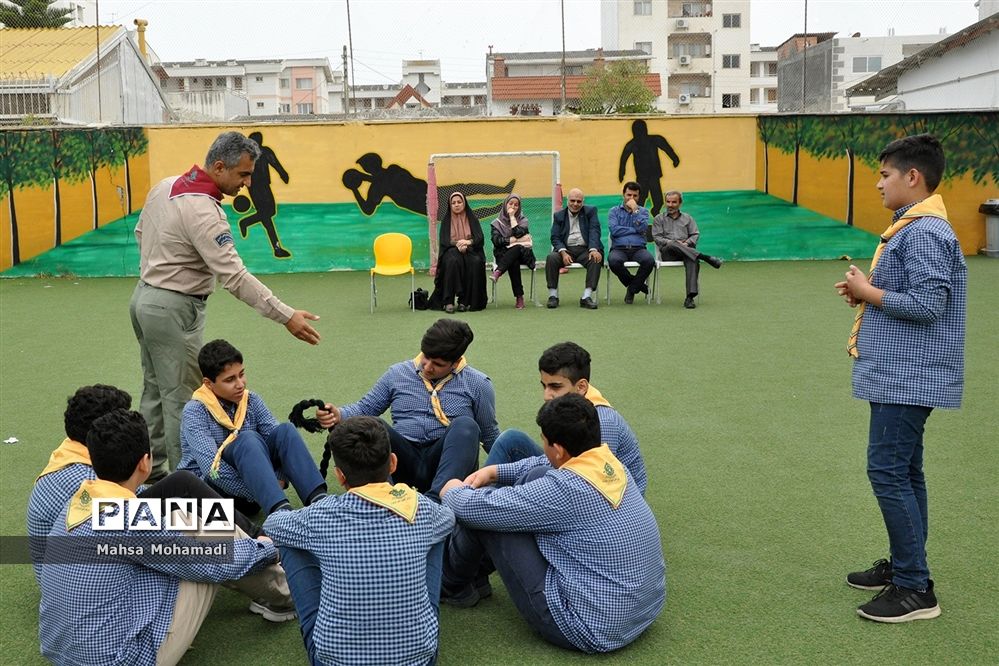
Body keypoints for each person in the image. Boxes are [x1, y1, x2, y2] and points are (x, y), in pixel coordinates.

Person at [129, 130, 321, 482]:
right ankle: (186, 484)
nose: (247, 183)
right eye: (243, 174)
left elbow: (141, 233)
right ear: (219, 167)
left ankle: (151, 474)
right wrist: (286, 316)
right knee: (184, 401)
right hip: (173, 308)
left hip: (144, 298)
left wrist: (161, 267)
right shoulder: (205, 211)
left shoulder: (165, 186)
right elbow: (234, 276)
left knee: (154, 391)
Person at [38, 409, 289, 666]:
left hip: (61, 654)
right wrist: (264, 548)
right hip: (123, 660)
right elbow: (210, 562)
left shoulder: (78, 502)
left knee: (186, 526)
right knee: (205, 534)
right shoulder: (131, 520)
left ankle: (278, 586)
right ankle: (287, 594)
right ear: (145, 462)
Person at [834, 134, 965, 623]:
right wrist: (866, 293)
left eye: (885, 175)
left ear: (913, 177)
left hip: (908, 375)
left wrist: (870, 292)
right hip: (902, 372)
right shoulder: (913, 227)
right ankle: (906, 564)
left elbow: (929, 305)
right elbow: (912, 296)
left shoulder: (924, 232)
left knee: (888, 471)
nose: (878, 184)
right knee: (906, 472)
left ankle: (914, 587)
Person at [439, 394, 666, 653]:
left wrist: (452, 489)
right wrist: (495, 472)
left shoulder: (566, 489)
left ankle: (451, 586)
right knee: (536, 475)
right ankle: (475, 577)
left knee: (488, 515)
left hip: (586, 628)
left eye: (544, 441)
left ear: (558, 449)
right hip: (642, 611)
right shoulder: (612, 465)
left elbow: (477, 508)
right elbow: (542, 464)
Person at [27, 385, 263, 588]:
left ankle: (253, 537)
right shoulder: (84, 477)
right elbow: (118, 525)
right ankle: (258, 546)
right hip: (85, 572)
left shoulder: (70, 452)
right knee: (191, 520)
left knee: (182, 489)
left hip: (79, 559)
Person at [263, 416, 455, 666]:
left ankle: (292, 600)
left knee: (289, 538)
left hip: (333, 661)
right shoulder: (422, 509)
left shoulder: (320, 515)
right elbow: (448, 518)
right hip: (419, 660)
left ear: (340, 476)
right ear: (393, 463)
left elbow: (273, 525)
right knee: (436, 532)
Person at [323, 319, 499, 503]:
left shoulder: (478, 384)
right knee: (374, 424)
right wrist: (338, 414)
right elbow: (365, 408)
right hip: (401, 460)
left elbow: (489, 434)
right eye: (426, 357)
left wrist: (508, 470)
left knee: (466, 426)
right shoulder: (397, 373)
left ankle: (436, 502)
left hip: (445, 464)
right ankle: (385, 500)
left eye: (437, 364)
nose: (427, 366)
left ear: (455, 363)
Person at [178, 339, 328, 516]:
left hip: (254, 492)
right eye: (230, 379)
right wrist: (263, 489)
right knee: (248, 439)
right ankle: (282, 514)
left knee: (285, 432)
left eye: (241, 374)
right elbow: (212, 470)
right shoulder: (195, 411)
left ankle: (321, 503)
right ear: (208, 383)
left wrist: (275, 481)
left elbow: (279, 447)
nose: (240, 384)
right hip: (210, 497)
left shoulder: (251, 400)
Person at [484, 341, 648, 494]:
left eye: (555, 386)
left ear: (581, 387)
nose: (546, 396)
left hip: (606, 497)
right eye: (544, 386)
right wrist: (496, 472)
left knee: (538, 474)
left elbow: (591, 483)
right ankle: (477, 495)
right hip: (579, 472)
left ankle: (481, 503)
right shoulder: (576, 407)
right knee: (512, 440)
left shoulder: (601, 422)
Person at [651, 190, 723, 309]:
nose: (670, 205)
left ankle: (690, 298)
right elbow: (657, 238)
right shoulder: (659, 219)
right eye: (668, 202)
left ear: (680, 203)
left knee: (692, 259)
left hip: (686, 251)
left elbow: (695, 234)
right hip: (668, 252)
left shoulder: (688, 218)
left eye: (674, 202)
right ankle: (705, 257)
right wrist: (672, 242)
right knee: (673, 243)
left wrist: (685, 243)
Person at [429, 191, 488, 313]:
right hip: (451, 249)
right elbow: (444, 241)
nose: (456, 205)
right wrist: (458, 244)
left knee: (475, 262)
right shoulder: (446, 220)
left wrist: (468, 242)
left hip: (470, 249)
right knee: (452, 261)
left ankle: (464, 302)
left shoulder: (472, 219)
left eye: (459, 202)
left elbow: (480, 238)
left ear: (464, 203)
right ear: (450, 205)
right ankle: (448, 301)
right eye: (453, 203)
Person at [545, 188, 603, 310]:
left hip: (585, 249)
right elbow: (555, 237)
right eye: (572, 200)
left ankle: (586, 297)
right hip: (566, 250)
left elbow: (594, 230)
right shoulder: (559, 216)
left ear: (583, 202)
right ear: (567, 201)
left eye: (579, 201)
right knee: (551, 258)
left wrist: (593, 249)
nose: (575, 204)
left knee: (595, 258)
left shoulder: (591, 211)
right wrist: (563, 252)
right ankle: (553, 296)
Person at [239, 131, 291, 258]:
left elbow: (275, 163)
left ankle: (246, 222)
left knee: (268, 214)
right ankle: (277, 249)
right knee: (267, 216)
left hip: (263, 186)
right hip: (256, 187)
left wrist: (283, 174)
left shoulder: (263, 152)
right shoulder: (249, 155)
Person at [618, 119, 681, 216]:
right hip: (642, 177)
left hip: (654, 175)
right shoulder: (633, 144)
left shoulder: (654, 139)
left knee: (658, 201)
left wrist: (675, 158)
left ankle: (655, 211)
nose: (640, 133)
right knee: (641, 199)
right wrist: (621, 172)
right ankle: (638, 217)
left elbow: (667, 148)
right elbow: (624, 159)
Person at [608, 181, 655, 304]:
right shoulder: (614, 211)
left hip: (638, 248)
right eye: (629, 195)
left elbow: (643, 229)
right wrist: (634, 230)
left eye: (635, 195)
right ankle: (638, 285)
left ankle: (632, 289)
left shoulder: (643, 211)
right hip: (619, 248)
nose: (631, 198)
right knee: (613, 261)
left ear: (639, 197)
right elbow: (614, 230)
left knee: (649, 261)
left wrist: (635, 210)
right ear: (623, 194)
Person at [490, 193, 536, 310]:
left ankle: (498, 272)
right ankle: (519, 297)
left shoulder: (523, 220)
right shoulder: (496, 223)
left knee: (517, 249)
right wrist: (515, 240)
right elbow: (496, 241)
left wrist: (512, 217)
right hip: (503, 254)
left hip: (523, 254)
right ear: (505, 204)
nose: (513, 207)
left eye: (516, 205)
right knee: (513, 260)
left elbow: (518, 233)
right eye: (510, 204)